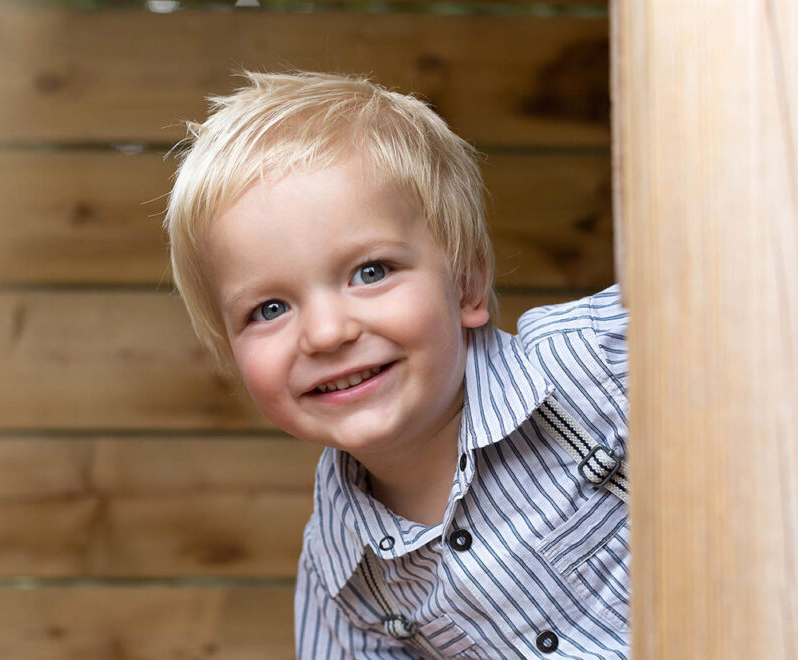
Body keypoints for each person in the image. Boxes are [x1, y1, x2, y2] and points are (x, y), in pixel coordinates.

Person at [164, 71, 630, 659]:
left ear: (465, 284)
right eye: (270, 308)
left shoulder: (595, 364)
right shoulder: (341, 575)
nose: (327, 333)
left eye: (371, 272)